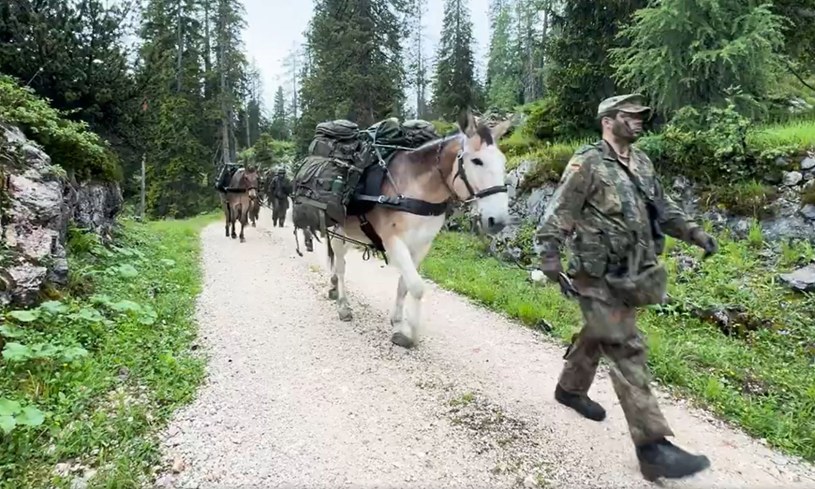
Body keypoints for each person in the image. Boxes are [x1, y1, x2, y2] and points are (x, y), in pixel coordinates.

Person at [534, 94, 719, 482]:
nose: (639, 122)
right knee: (624, 343)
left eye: (640, 117)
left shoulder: (643, 163)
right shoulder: (588, 162)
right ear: (608, 121)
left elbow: (663, 210)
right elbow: (560, 211)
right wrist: (549, 255)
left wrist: (694, 233)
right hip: (593, 272)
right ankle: (652, 447)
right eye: (630, 116)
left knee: (600, 332)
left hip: (631, 272)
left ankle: (569, 389)